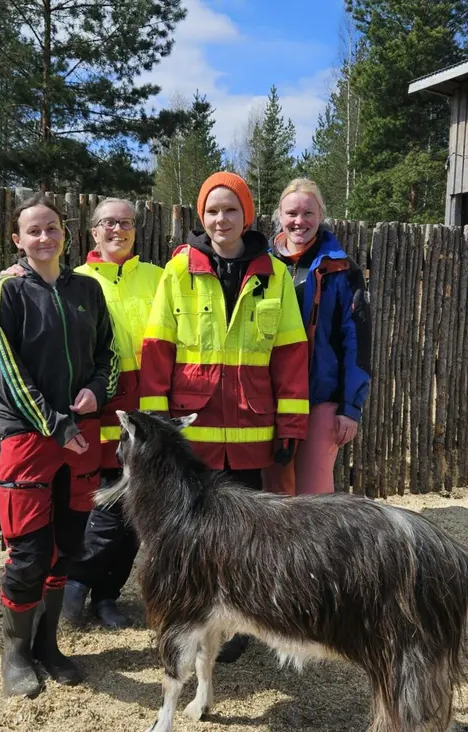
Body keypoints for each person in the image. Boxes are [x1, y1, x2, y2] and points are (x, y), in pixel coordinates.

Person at [139, 171, 309, 662]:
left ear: (247, 215)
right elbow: (157, 352)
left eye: (230, 209)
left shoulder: (273, 274)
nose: (221, 219)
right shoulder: (177, 272)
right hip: (192, 435)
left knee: (245, 536)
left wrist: (291, 425)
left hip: (253, 433)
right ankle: (194, 616)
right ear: (201, 217)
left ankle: (237, 625)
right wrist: (154, 429)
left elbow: (291, 356)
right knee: (192, 532)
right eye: (212, 211)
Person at [1, 198, 163, 630]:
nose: (118, 230)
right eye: (108, 223)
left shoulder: (160, 278)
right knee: (103, 504)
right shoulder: (78, 279)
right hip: (93, 411)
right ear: (92, 232)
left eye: (126, 223)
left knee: (136, 508)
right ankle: (76, 584)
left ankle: (108, 595)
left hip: (143, 406)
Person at [0, 194, 117, 698]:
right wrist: (55, 423)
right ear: (18, 240)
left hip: (79, 439)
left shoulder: (88, 290)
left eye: (52, 229)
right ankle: (14, 652)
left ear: (66, 234)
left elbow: (110, 353)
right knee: (29, 553)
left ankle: (48, 645)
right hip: (30, 438)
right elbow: (6, 374)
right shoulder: (6, 291)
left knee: (68, 545)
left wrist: (98, 390)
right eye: (33, 231)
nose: (44, 238)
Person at [261, 178, 371, 496]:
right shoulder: (261, 265)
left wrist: (350, 407)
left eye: (308, 213)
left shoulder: (342, 269)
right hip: (271, 399)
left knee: (316, 497)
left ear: (321, 214)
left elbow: (357, 342)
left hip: (320, 399)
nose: (299, 221)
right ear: (279, 215)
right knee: (275, 495)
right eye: (291, 212)